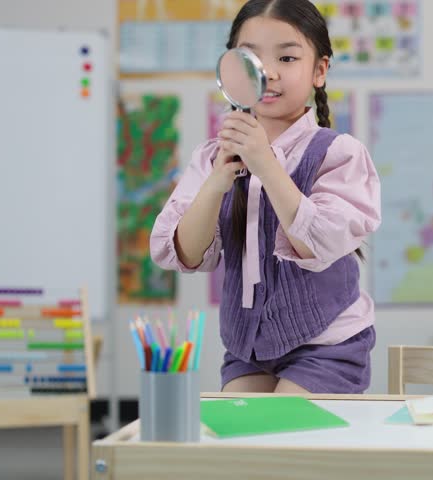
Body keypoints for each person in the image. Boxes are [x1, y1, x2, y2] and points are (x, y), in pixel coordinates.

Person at [150, 0, 380, 394]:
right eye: (252, 60)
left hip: (327, 344)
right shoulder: (210, 157)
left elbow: (319, 242)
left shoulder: (339, 153)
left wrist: (266, 164)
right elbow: (182, 254)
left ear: (319, 71)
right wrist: (217, 181)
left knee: (280, 436)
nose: (269, 73)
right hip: (248, 346)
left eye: (287, 58)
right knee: (235, 444)